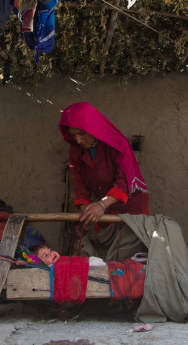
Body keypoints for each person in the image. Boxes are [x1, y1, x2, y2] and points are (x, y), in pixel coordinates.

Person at [59, 101, 149, 261]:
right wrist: (85, 211)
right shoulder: (76, 150)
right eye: (73, 135)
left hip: (130, 211)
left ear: (92, 127)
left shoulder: (117, 144)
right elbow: (79, 182)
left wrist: (101, 205)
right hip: (105, 212)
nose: (78, 140)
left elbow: (125, 180)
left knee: (122, 259)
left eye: (81, 133)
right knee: (102, 258)